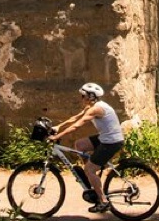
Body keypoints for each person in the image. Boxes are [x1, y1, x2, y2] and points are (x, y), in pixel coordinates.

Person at [48, 82, 125, 213]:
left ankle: (103, 201)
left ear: (90, 97)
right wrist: (58, 127)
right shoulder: (91, 106)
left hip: (112, 142)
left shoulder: (96, 109)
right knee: (80, 145)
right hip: (105, 138)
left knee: (89, 169)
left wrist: (57, 137)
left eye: (83, 96)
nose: (81, 98)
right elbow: (74, 118)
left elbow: (77, 125)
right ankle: (92, 176)